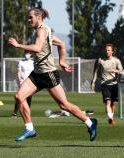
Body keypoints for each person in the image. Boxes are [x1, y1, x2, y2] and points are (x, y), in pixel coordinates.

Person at [8, 7, 97, 142]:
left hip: (48, 74)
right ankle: (29, 128)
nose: (28, 20)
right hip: (37, 73)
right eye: (28, 17)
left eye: (30, 17)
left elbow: (37, 48)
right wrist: (61, 61)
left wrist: (18, 45)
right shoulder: (45, 30)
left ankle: (90, 123)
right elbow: (61, 44)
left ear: (39, 17)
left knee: (64, 106)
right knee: (19, 96)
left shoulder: (42, 31)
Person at [91, 44, 123, 125]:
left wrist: (116, 71)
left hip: (114, 84)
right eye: (106, 50)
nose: (107, 51)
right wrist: (93, 81)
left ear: (112, 51)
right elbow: (95, 71)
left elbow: (121, 71)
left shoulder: (116, 61)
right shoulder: (100, 60)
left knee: (112, 103)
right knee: (107, 102)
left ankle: (111, 117)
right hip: (104, 84)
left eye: (109, 50)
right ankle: (110, 118)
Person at [11, 53, 34, 117]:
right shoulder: (21, 62)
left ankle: (27, 112)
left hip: (31, 82)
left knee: (29, 97)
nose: (27, 55)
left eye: (29, 53)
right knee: (19, 96)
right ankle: (15, 113)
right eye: (26, 53)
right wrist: (20, 81)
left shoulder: (33, 62)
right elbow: (19, 72)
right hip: (23, 82)